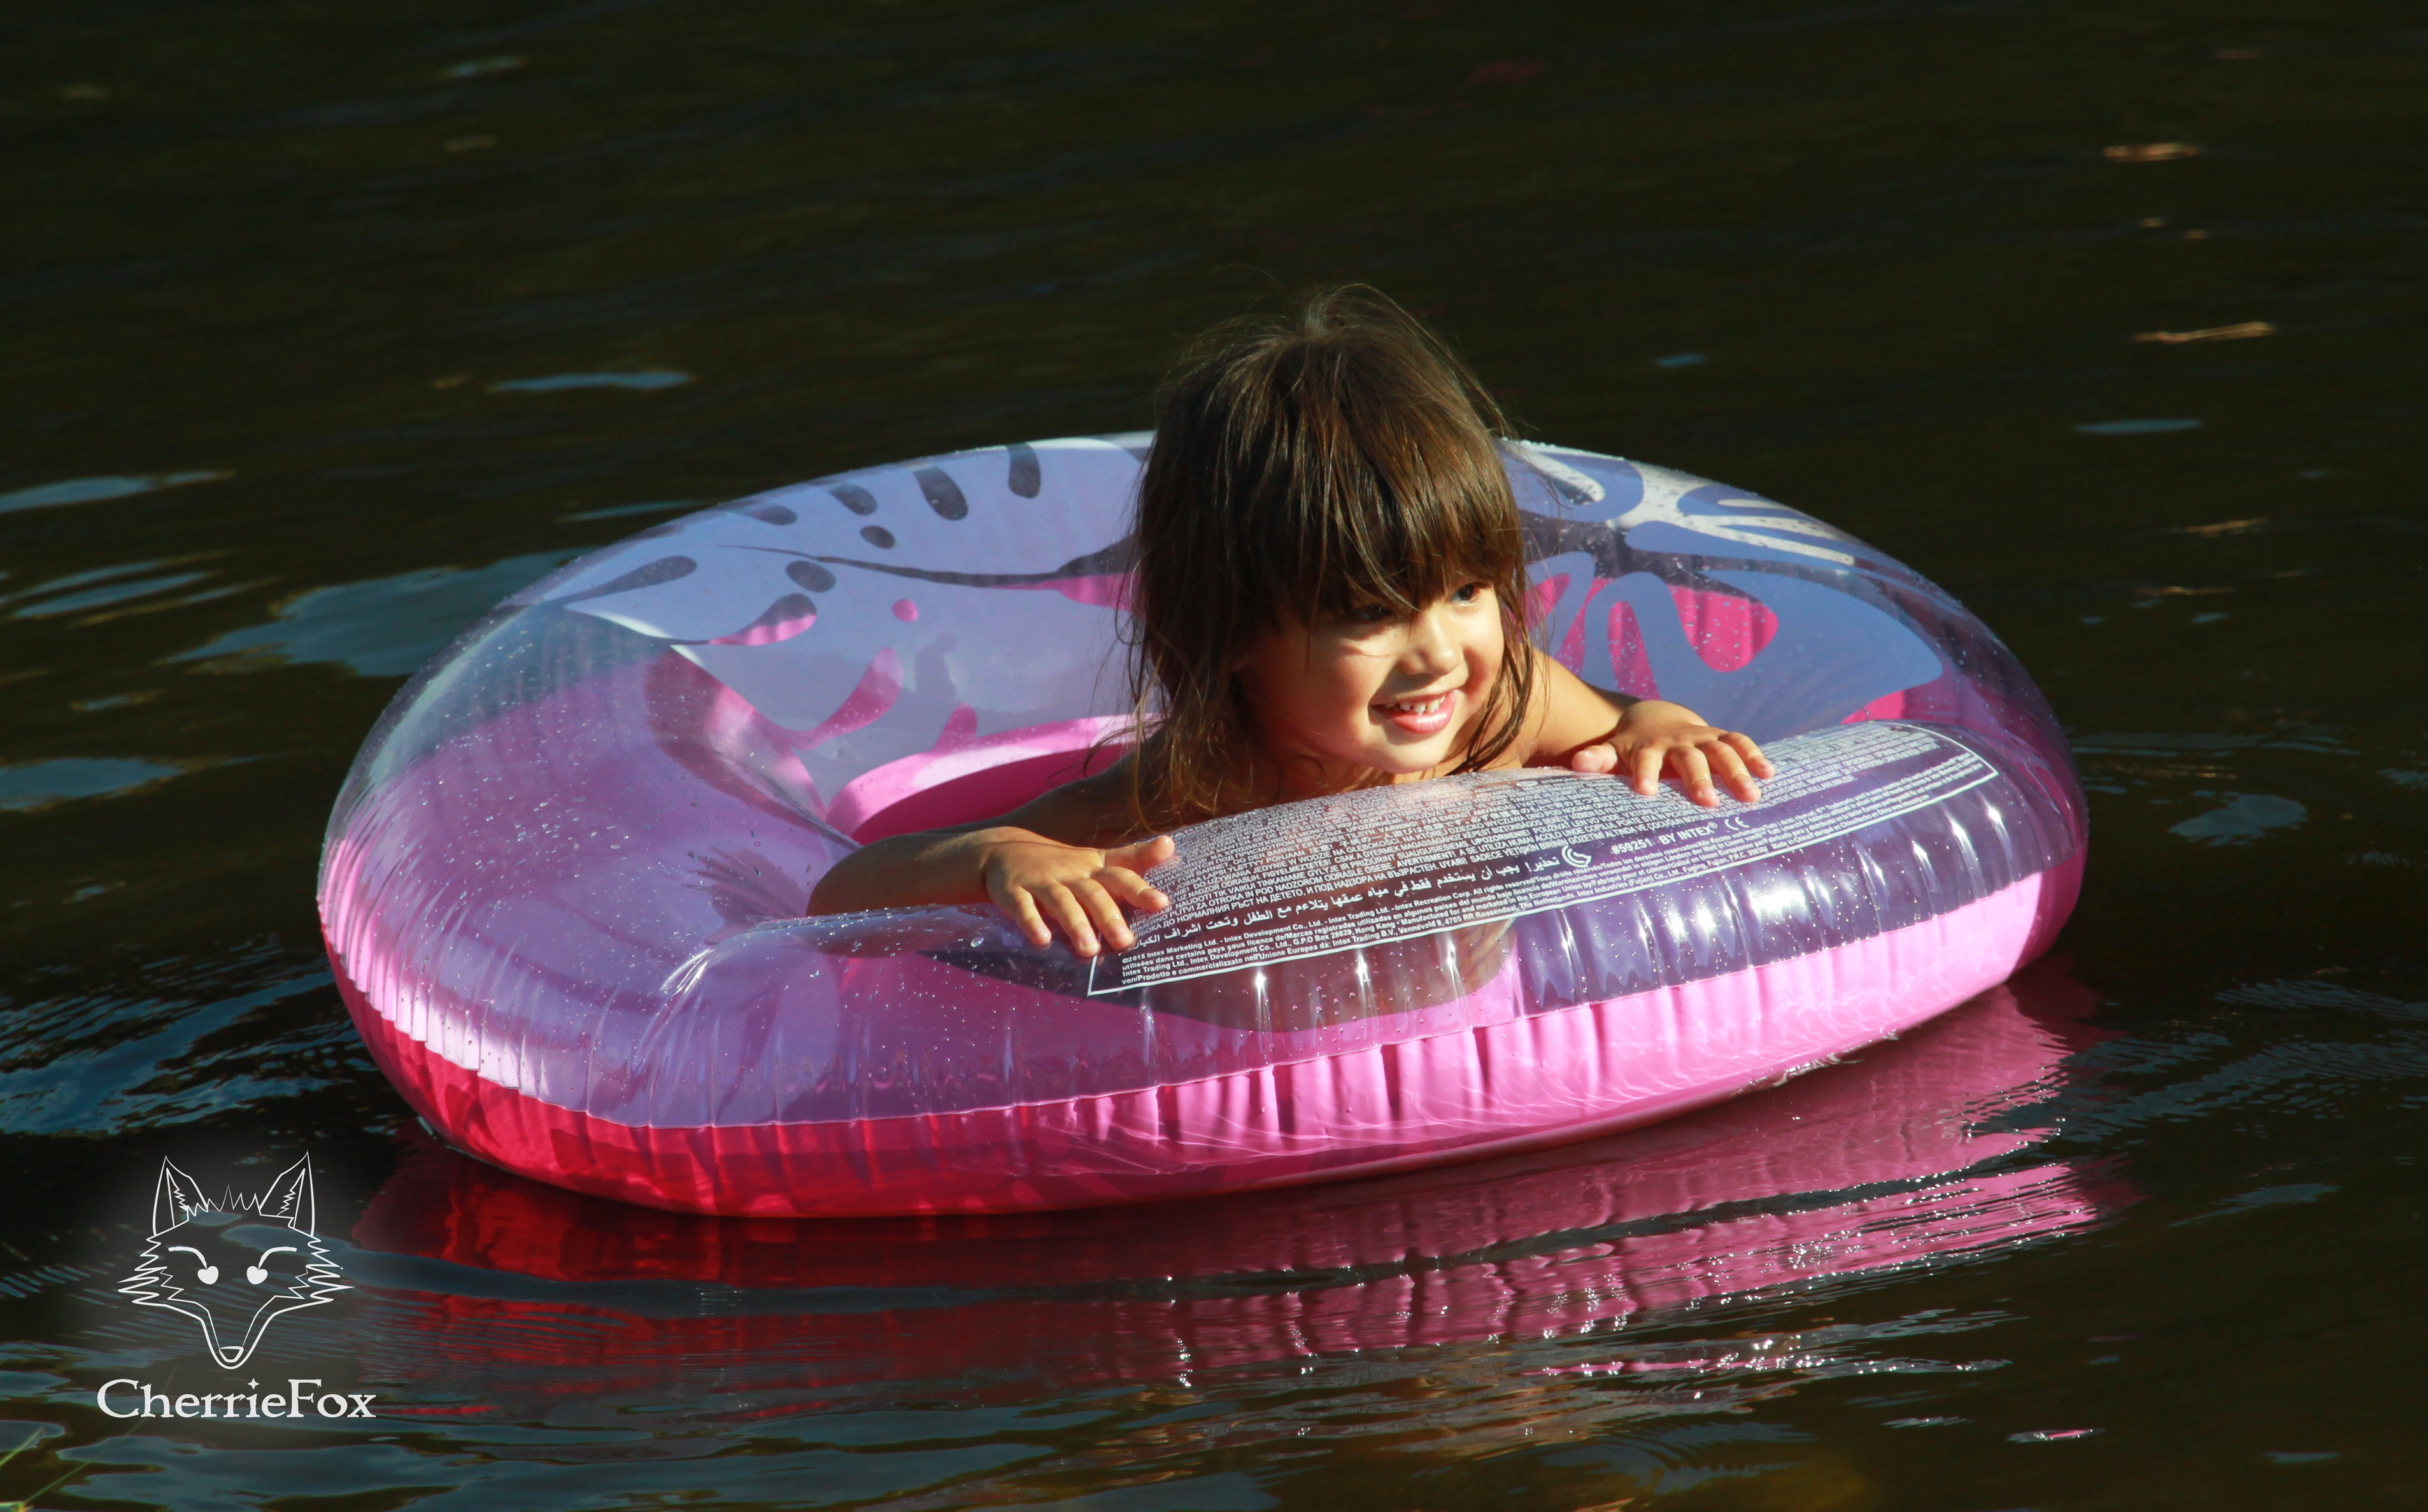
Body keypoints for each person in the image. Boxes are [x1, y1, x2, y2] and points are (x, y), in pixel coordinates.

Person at [807, 286, 1773, 956]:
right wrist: (996, 857)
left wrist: (1664, 727)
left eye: (1467, 591)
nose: (1439, 655)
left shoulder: (1503, 704)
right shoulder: (1193, 791)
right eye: (1369, 614)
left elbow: (1624, 722)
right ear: (1230, 633)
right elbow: (841, 898)